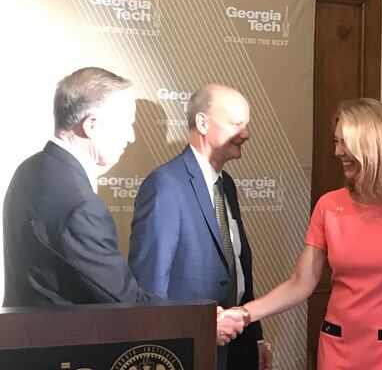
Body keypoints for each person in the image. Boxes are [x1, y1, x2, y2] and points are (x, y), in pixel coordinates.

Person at [2, 68, 243, 342]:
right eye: (126, 124)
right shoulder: (79, 205)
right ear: (91, 126)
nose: (131, 137)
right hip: (63, 351)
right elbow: (125, 301)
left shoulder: (32, 169)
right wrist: (201, 324)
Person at [219, 98, 382, 370]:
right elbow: (300, 283)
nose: (338, 152)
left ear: (373, 143)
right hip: (337, 351)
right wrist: (244, 314)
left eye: (345, 142)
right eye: (336, 142)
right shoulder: (329, 205)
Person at [129, 84, 268, 370]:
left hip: (237, 346)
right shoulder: (166, 185)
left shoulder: (226, 185)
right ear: (203, 122)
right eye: (236, 124)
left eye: (247, 124)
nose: (246, 134)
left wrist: (256, 338)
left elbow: (239, 269)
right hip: (187, 349)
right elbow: (151, 284)